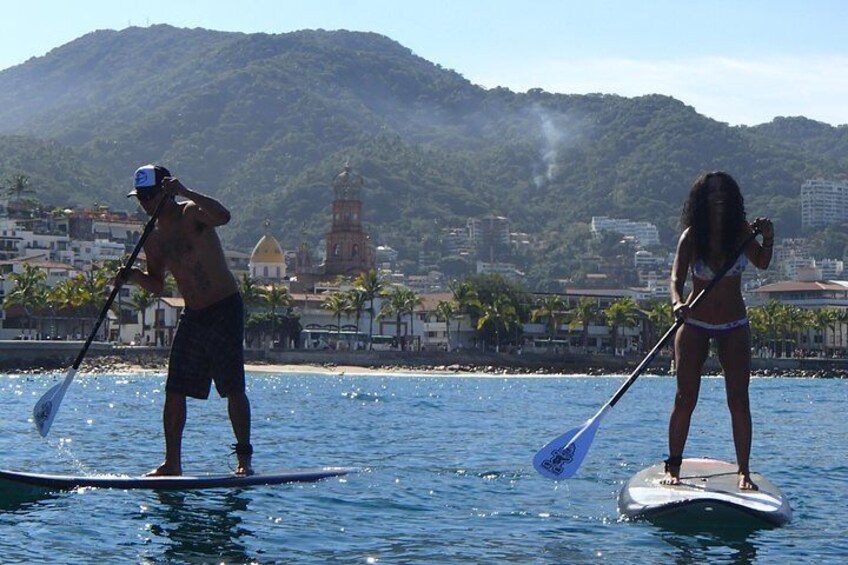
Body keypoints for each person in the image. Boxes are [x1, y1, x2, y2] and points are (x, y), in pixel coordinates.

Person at [116, 164, 253, 476]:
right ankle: (172, 464)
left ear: (166, 190)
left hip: (225, 307)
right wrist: (134, 276)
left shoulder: (193, 213)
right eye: (140, 197)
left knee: (232, 386)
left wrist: (186, 191)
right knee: (174, 389)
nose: (145, 203)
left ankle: (244, 461)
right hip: (193, 314)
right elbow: (156, 283)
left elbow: (224, 216)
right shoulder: (151, 238)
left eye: (150, 195)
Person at [663, 171, 774, 491]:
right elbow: (675, 280)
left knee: (739, 399)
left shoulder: (742, 233)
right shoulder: (692, 236)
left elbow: (763, 263)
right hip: (694, 323)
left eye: (724, 190)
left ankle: (743, 471)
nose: (718, 196)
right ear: (701, 199)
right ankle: (674, 467)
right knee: (685, 397)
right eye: (711, 192)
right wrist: (677, 304)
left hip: (733, 326)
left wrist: (768, 237)